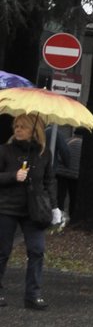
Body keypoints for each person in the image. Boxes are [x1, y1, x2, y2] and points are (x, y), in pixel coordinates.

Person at [0, 112, 58, 310]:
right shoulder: (5, 151)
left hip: (34, 209)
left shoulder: (43, 154)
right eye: (16, 126)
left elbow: (50, 181)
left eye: (22, 127)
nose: (17, 130)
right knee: (2, 251)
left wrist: (54, 205)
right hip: (7, 207)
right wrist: (12, 176)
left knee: (37, 250)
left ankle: (33, 295)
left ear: (35, 131)